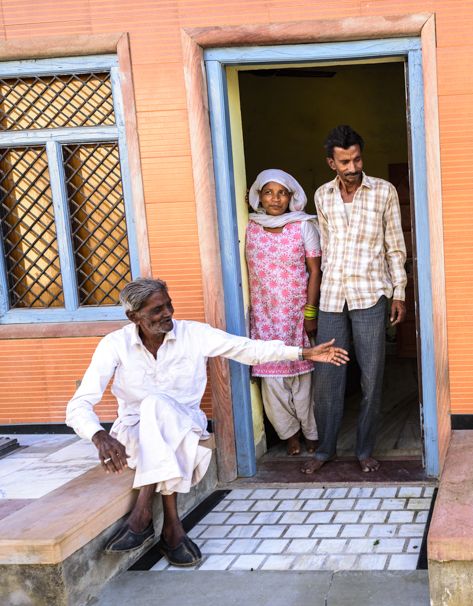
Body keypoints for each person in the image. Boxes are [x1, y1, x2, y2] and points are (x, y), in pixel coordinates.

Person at [66, 278, 348, 566]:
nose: (168, 314)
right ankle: (172, 529)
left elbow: (247, 349)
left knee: (155, 405)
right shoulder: (115, 345)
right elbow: (78, 405)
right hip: (134, 432)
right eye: (156, 310)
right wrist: (98, 435)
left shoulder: (193, 334)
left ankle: (142, 513)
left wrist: (302, 352)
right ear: (133, 316)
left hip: (185, 424)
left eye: (169, 305)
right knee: (153, 412)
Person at [302, 125, 406, 475]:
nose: (352, 167)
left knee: (371, 376)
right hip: (333, 296)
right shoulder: (322, 196)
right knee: (328, 377)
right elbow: (327, 246)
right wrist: (312, 307)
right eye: (344, 161)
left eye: (357, 159)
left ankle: (364, 449)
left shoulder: (384, 192)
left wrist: (399, 293)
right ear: (331, 162)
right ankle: (325, 450)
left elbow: (395, 247)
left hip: (371, 294)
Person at [246, 169, 321, 456]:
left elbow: (315, 271)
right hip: (265, 315)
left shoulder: (304, 226)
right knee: (272, 380)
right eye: (268, 192)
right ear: (258, 196)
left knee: (303, 379)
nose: (275, 199)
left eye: (282, 192)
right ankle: (289, 434)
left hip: (296, 314)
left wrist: (310, 313)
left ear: (291, 197)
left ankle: (311, 432)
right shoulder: (249, 226)